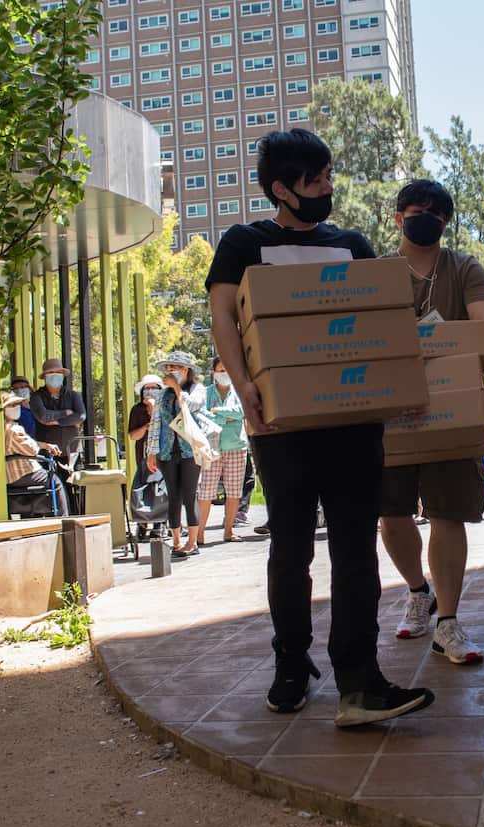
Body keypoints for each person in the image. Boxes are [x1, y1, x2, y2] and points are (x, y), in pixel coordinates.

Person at [205, 128, 434, 726]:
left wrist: (399, 385)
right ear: (283, 189)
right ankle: (291, 662)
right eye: (318, 180)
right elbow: (224, 317)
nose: (328, 187)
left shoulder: (351, 244)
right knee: (291, 549)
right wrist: (244, 386)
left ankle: (359, 682)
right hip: (280, 427)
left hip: (354, 424)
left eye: (329, 176)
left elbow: (381, 318)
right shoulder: (244, 243)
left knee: (356, 551)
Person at [380, 179, 484, 665]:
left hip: (453, 407)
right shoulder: (378, 272)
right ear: (398, 218)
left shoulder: (464, 268)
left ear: (446, 222)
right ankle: (418, 592)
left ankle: (448, 623)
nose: (425, 219)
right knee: (392, 514)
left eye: (436, 213)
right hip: (391, 411)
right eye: (416, 211)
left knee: (448, 513)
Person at [145, 352, 207, 558]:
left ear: (185, 370)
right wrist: (151, 452)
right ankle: (177, 541)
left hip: (190, 450)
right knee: (173, 495)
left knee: (189, 495)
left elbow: (192, 406)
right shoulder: (162, 394)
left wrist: (178, 389)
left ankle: (192, 541)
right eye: (168, 368)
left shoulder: (197, 389)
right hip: (167, 451)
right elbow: (156, 423)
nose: (170, 371)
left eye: (174, 367)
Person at [197, 357, 248, 544]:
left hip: (236, 447)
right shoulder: (205, 393)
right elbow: (202, 415)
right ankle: (199, 533)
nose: (224, 374)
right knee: (205, 492)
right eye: (220, 371)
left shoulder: (239, 391)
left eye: (227, 370)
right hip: (211, 449)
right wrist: (226, 416)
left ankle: (228, 531)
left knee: (234, 491)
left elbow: (241, 412)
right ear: (214, 373)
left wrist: (217, 411)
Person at [3, 392, 69, 516]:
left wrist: (44, 445)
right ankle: (63, 519)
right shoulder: (14, 429)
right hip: (23, 473)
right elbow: (32, 449)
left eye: (17, 404)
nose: (16, 408)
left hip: (4, 475)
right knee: (55, 481)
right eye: (12, 405)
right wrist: (43, 447)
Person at [30, 358, 85, 460]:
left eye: (58, 372)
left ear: (63, 375)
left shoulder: (73, 395)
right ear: (45, 376)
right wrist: (66, 413)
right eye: (51, 372)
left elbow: (81, 416)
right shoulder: (36, 397)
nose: (55, 375)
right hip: (46, 454)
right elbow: (43, 416)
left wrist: (56, 421)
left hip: (72, 452)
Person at [127, 373, 163, 470]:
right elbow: (133, 436)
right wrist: (146, 427)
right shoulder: (137, 409)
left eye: (154, 388)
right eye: (147, 388)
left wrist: (153, 406)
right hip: (143, 454)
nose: (150, 391)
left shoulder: (167, 407)